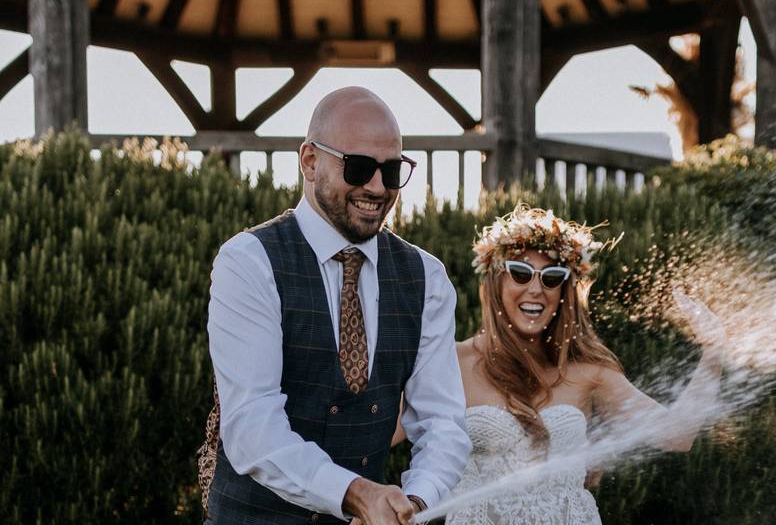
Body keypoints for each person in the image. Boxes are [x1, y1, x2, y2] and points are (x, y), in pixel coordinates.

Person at [198, 87, 471, 525]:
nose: (377, 187)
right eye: (359, 167)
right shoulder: (248, 262)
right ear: (309, 160)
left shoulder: (427, 277)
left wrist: (417, 501)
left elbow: (442, 422)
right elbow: (251, 424)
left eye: (392, 169)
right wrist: (354, 494)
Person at [441, 204, 726, 524]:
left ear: (564, 291)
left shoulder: (590, 372)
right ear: (497, 283)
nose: (536, 289)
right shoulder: (453, 362)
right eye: (520, 273)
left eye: (552, 278)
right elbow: (377, 434)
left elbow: (678, 434)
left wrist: (713, 350)